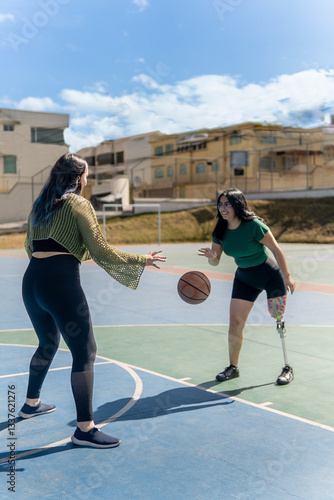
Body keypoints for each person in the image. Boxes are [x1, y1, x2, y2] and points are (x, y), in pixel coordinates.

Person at [18, 153, 166, 449]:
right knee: (85, 351)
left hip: (32, 279)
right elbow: (100, 250)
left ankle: (30, 404)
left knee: (47, 343)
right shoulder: (78, 203)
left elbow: (28, 246)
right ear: (78, 178)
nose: (88, 180)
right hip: (59, 283)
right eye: (86, 175)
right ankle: (84, 429)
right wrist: (141, 260)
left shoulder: (40, 206)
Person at [198, 188, 295, 386]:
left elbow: (276, 249)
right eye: (220, 204)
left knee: (277, 317)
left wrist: (287, 276)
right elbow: (215, 261)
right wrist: (212, 258)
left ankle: (287, 367)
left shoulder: (253, 226)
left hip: (269, 276)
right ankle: (233, 367)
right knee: (235, 322)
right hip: (244, 278)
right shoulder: (220, 230)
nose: (222, 208)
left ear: (237, 205)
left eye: (227, 204)